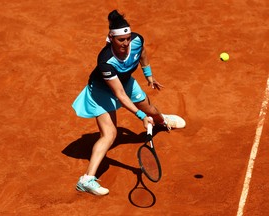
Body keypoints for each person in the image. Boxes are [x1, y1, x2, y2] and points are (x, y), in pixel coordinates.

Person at [72, 9, 186, 196]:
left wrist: (148, 75)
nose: (126, 43)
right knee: (110, 134)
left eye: (128, 38)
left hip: (125, 81)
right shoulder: (105, 61)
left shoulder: (136, 40)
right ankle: (86, 180)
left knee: (150, 108)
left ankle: (161, 120)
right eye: (121, 40)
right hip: (101, 91)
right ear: (111, 38)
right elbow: (120, 95)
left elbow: (142, 53)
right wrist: (141, 116)